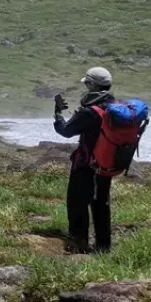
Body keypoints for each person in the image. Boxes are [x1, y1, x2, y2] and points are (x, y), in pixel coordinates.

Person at [53, 66, 116, 254]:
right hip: (106, 164)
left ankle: (79, 244)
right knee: (101, 203)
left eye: (87, 83)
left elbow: (66, 131)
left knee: (77, 202)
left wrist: (57, 114)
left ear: (91, 84)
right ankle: (103, 247)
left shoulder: (90, 111)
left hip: (86, 164)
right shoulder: (114, 106)